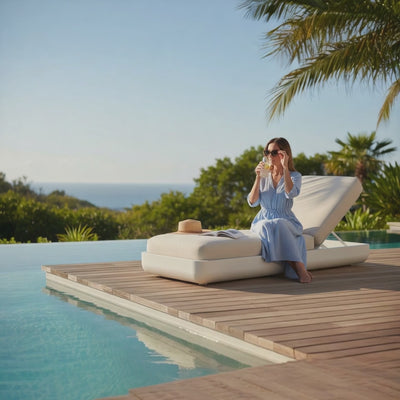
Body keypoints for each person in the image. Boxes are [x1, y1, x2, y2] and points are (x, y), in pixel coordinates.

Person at [247, 137, 312, 283]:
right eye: (267, 152)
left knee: (279, 223)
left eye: (274, 152)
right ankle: (300, 269)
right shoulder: (264, 174)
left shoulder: (295, 176)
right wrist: (258, 178)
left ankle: (299, 269)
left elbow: (291, 193)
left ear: (284, 154)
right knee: (266, 225)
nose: (270, 156)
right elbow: (252, 202)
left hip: (286, 220)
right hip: (262, 220)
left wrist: (285, 168)